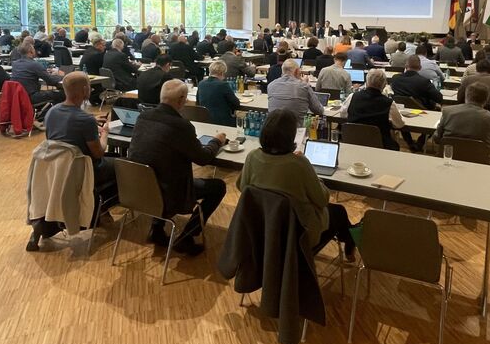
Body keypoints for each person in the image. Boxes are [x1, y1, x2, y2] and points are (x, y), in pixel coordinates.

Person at [237, 108, 355, 258]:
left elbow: (242, 187)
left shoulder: (252, 156)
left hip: (263, 227)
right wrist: (313, 173)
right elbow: (322, 199)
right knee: (339, 212)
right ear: (291, 136)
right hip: (298, 233)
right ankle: (351, 239)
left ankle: (351, 239)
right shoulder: (299, 164)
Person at [128, 80, 227, 256]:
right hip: (170, 193)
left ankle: (156, 229)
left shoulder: (142, 117)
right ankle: (187, 236)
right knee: (218, 187)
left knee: (157, 168)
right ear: (182, 100)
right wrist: (216, 141)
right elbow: (203, 158)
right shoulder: (181, 126)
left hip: (139, 190)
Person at [44, 71, 116, 187]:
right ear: (85, 89)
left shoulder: (51, 112)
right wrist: (105, 132)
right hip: (86, 170)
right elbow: (99, 153)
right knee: (123, 164)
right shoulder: (86, 120)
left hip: (59, 168)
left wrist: (91, 120)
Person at [433, 82, 490, 167]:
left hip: (450, 162)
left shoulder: (447, 112)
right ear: (486, 100)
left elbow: (436, 138)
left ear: (466, 96)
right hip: (483, 167)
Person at [340, 69, 408, 151]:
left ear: (366, 83)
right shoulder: (389, 103)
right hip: (380, 145)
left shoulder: (352, 97)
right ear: (384, 85)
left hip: (352, 141)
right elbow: (399, 124)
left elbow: (342, 114)